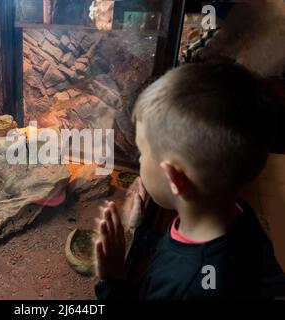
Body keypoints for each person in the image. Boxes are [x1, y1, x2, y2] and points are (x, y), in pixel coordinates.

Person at [94, 62, 284, 299]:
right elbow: (185, 252)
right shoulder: (239, 213)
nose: (140, 161)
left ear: (175, 177)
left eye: (142, 153)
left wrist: (113, 281)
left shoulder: (186, 286)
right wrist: (141, 233)